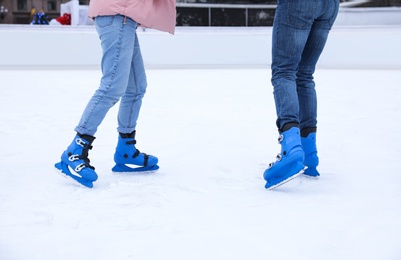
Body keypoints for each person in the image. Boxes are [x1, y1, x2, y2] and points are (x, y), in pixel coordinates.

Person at [55, 0, 176, 188]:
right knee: (112, 85)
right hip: (117, 14)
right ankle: (75, 150)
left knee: (136, 88)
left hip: (125, 17)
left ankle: (126, 149)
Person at [263, 0, 339, 189]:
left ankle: (291, 148)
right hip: (329, 5)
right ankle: (308, 151)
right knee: (304, 74)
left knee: (284, 72)